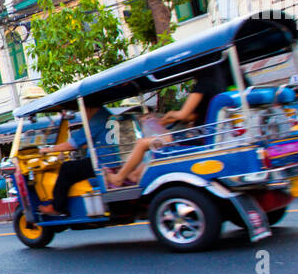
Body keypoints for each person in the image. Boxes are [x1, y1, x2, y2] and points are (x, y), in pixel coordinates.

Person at [105, 60, 237, 187]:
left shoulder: (204, 82)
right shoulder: (224, 84)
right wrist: (167, 120)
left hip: (200, 138)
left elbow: (184, 114)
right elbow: (193, 116)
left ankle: (118, 178)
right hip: (211, 135)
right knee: (158, 146)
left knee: (143, 143)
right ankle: (135, 174)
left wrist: (169, 115)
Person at [40, 104, 115, 216]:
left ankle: (56, 207)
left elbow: (73, 144)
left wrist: (48, 149)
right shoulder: (107, 115)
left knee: (66, 168)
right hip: (112, 159)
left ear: (87, 108)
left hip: (101, 162)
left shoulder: (96, 121)